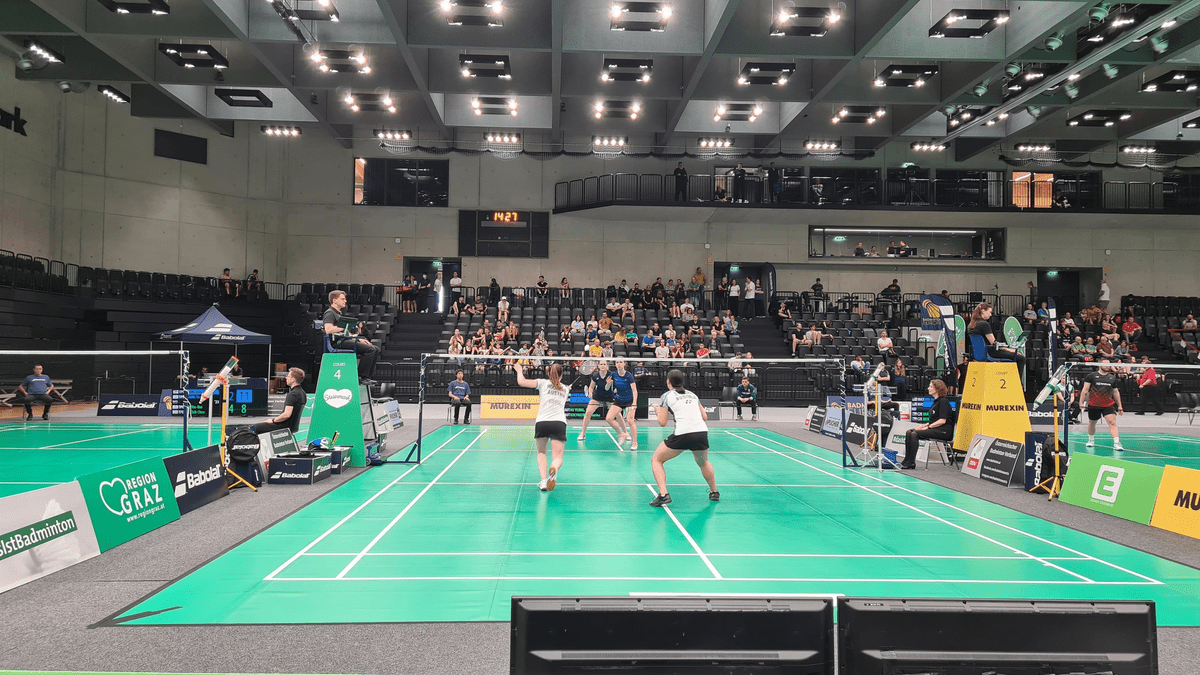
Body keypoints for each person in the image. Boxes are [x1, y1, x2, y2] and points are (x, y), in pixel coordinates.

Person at [648, 369, 719, 506]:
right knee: (703, 462)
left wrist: (657, 412)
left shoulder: (666, 396)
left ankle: (663, 494)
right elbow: (705, 417)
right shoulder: (693, 395)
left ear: (668, 382)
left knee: (656, 460)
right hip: (701, 432)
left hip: (682, 434)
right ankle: (714, 492)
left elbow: (662, 423)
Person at [515, 362, 570, 492]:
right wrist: (566, 387)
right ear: (561, 376)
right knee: (557, 457)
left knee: (541, 452)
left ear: (549, 374)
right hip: (558, 423)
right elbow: (560, 387)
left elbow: (521, 382)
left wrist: (519, 370)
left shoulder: (542, 383)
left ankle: (544, 481)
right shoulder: (565, 389)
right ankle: (554, 469)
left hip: (542, 423)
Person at [324, 289, 380, 382]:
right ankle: (361, 377)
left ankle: (367, 377)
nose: (345, 301)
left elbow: (344, 333)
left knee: (376, 349)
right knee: (370, 350)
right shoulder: (330, 313)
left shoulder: (339, 314)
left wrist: (358, 339)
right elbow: (328, 329)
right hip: (337, 343)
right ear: (334, 300)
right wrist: (345, 326)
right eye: (342, 299)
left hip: (344, 340)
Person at [900, 380, 955, 469]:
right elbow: (933, 420)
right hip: (936, 428)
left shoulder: (943, 401)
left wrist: (928, 427)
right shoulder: (936, 402)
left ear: (937, 389)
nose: (928, 388)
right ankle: (906, 460)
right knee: (909, 432)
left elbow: (942, 421)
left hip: (944, 431)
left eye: (931, 387)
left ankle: (911, 462)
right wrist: (923, 426)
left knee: (914, 434)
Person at [967, 302, 1026, 379]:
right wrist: (1010, 350)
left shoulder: (972, 326)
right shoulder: (984, 324)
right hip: (990, 353)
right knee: (1021, 358)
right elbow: (994, 344)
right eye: (990, 312)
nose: (990, 315)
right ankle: (1017, 382)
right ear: (983, 311)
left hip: (979, 354)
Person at [1079, 358, 1123, 450]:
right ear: (1099, 365)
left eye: (1109, 365)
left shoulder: (1112, 378)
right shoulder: (1091, 376)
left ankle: (1117, 443)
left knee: (1112, 422)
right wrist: (1081, 402)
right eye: (1105, 364)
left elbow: (1115, 392)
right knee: (1092, 423)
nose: (1107, 366)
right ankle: (1091, 439)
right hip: (1094, 404)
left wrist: (1119, 406)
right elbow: (1085, 390)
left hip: (1108, 405)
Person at [252, 368, 307, 434]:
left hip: (283, 426)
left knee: (255, 428)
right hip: (292, 427)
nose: (286, 377)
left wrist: (273, 420)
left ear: (293, 379)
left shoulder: (293, 394)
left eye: (288, 376)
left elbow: (286, 415)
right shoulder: (303, 393)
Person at [608, 360, 639, 450]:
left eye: (621, 362)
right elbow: (607, 388)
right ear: (615, 364)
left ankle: (635, 442)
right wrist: (608, 384)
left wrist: (634, 403)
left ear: (624, 364)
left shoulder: (629, 375)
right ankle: (622, 434)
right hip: (619, 400)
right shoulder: (613, 375)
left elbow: (634, 390)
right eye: (617, 362)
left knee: (630, 421)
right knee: (609, 418)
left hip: (630, 400)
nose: (619, 364)